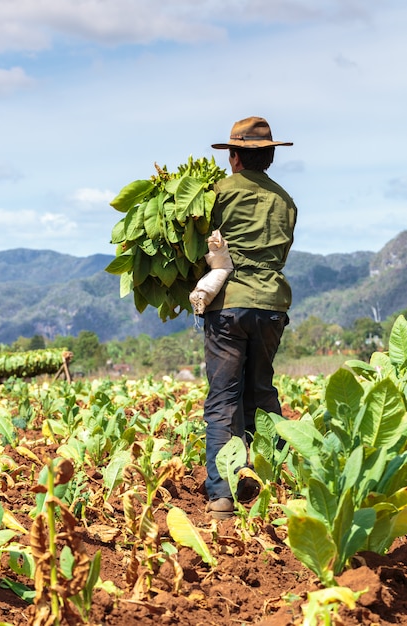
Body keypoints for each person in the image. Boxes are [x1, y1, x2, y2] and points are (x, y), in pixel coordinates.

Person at [203, 116, 298, 519]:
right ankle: (274, 480)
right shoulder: (286, 201)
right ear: (271, 157)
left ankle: (223, 494)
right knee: (260, 392)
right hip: (272, 307)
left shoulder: (218, 194)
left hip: (229, 303)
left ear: (236, 156)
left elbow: (200, 245)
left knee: (224, 395)